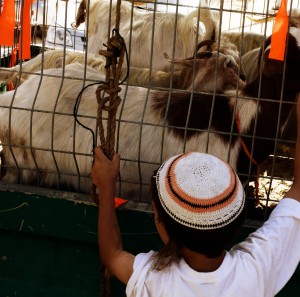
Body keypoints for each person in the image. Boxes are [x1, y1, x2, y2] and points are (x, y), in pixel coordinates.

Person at [91, 99, 300, 297]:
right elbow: (298, 190)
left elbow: (112, 254)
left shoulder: (153, 279)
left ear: (162, 226)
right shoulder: (257, 269)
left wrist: (107, 186)